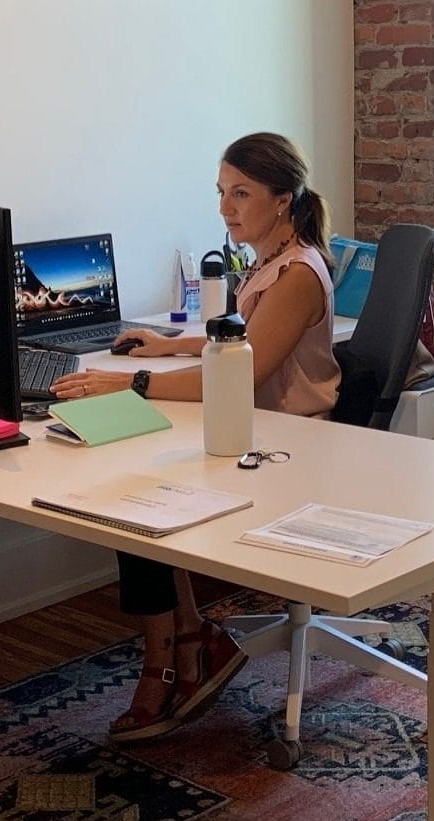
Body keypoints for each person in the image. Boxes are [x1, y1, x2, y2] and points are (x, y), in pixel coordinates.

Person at [50, 132, 341, 743]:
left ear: (282, 199)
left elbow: (239, 373)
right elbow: (238, 340)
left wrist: (132, 382)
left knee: (134, 492)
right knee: (131, 486)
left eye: (242, 194)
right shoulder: (269, 260)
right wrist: (169, 346)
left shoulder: (297, 275)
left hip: (286, 446)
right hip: (249, 431)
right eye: (221, 192)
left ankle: (173, 650)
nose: (226, 208)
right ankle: (188, 639)